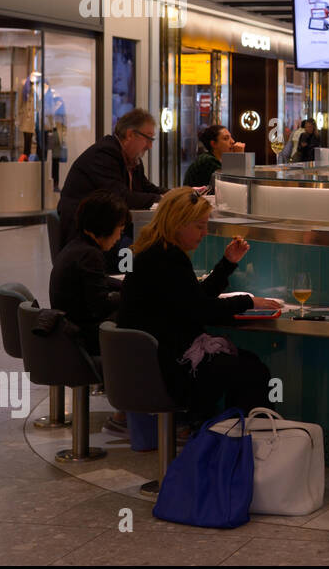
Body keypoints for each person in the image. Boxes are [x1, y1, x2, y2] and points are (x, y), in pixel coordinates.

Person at [117, 188, 279, 420]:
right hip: (169, 366)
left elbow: (192, 300)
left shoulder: (155, 252)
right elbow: (202, 310)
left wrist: (227, 264)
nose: (205, 233)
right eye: (199, 226)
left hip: (148, 360)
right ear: (177, 223)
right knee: (253, 371)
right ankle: (243, 435)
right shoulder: (168, 259)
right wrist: (249, 301)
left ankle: (220, 431)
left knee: (247, 365)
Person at [56, 108, 163, 252]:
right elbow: (122, 198)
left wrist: (176, 194)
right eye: (148, 138)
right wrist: (164, 199)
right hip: (84, 236)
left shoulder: (132, 159)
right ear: (130, 134)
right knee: (143, 249)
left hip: (107, 230)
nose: (150, 146)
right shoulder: (104, 155)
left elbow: (147, 188)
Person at [49, 190, 128, 355]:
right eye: (119, 230)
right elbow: (100, 306)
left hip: (67, 330)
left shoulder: (75, 247)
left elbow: (100, 280)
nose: (119, 237)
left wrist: (126, 285)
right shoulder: (90, 255)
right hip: (84, 338)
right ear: (105, 226)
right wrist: (130, 294)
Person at [183, 124, 243, 189]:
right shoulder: (207, 160)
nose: (233, 141)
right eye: (226, 138)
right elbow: (232, 186)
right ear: (213, 144)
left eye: (231, 137)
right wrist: (239, 156)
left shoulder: (215, 159)